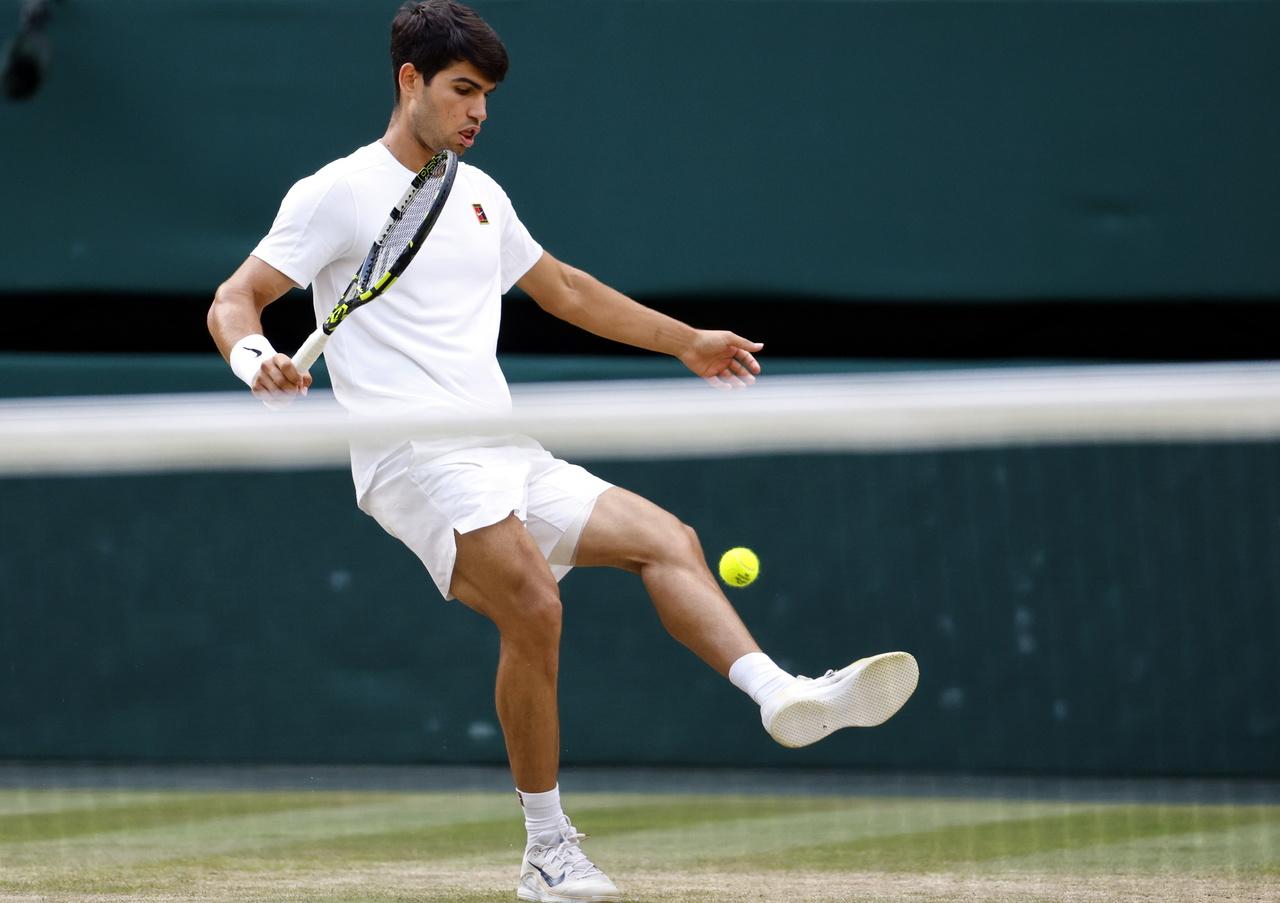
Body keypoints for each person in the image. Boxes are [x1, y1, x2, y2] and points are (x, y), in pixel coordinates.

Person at [207, 2, 918, 901]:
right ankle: (547, 849)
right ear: (409, 81)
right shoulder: (336, 193)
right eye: (462, 90)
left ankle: (780, 693)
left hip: (504, 446)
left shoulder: (479, 193)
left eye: (487, 96)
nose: (478, 112)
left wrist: (687, 341)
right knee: (535, 607)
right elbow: (235, 297)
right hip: (412, 453)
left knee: (668, 539)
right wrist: (256, 356)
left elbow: (566, 290)